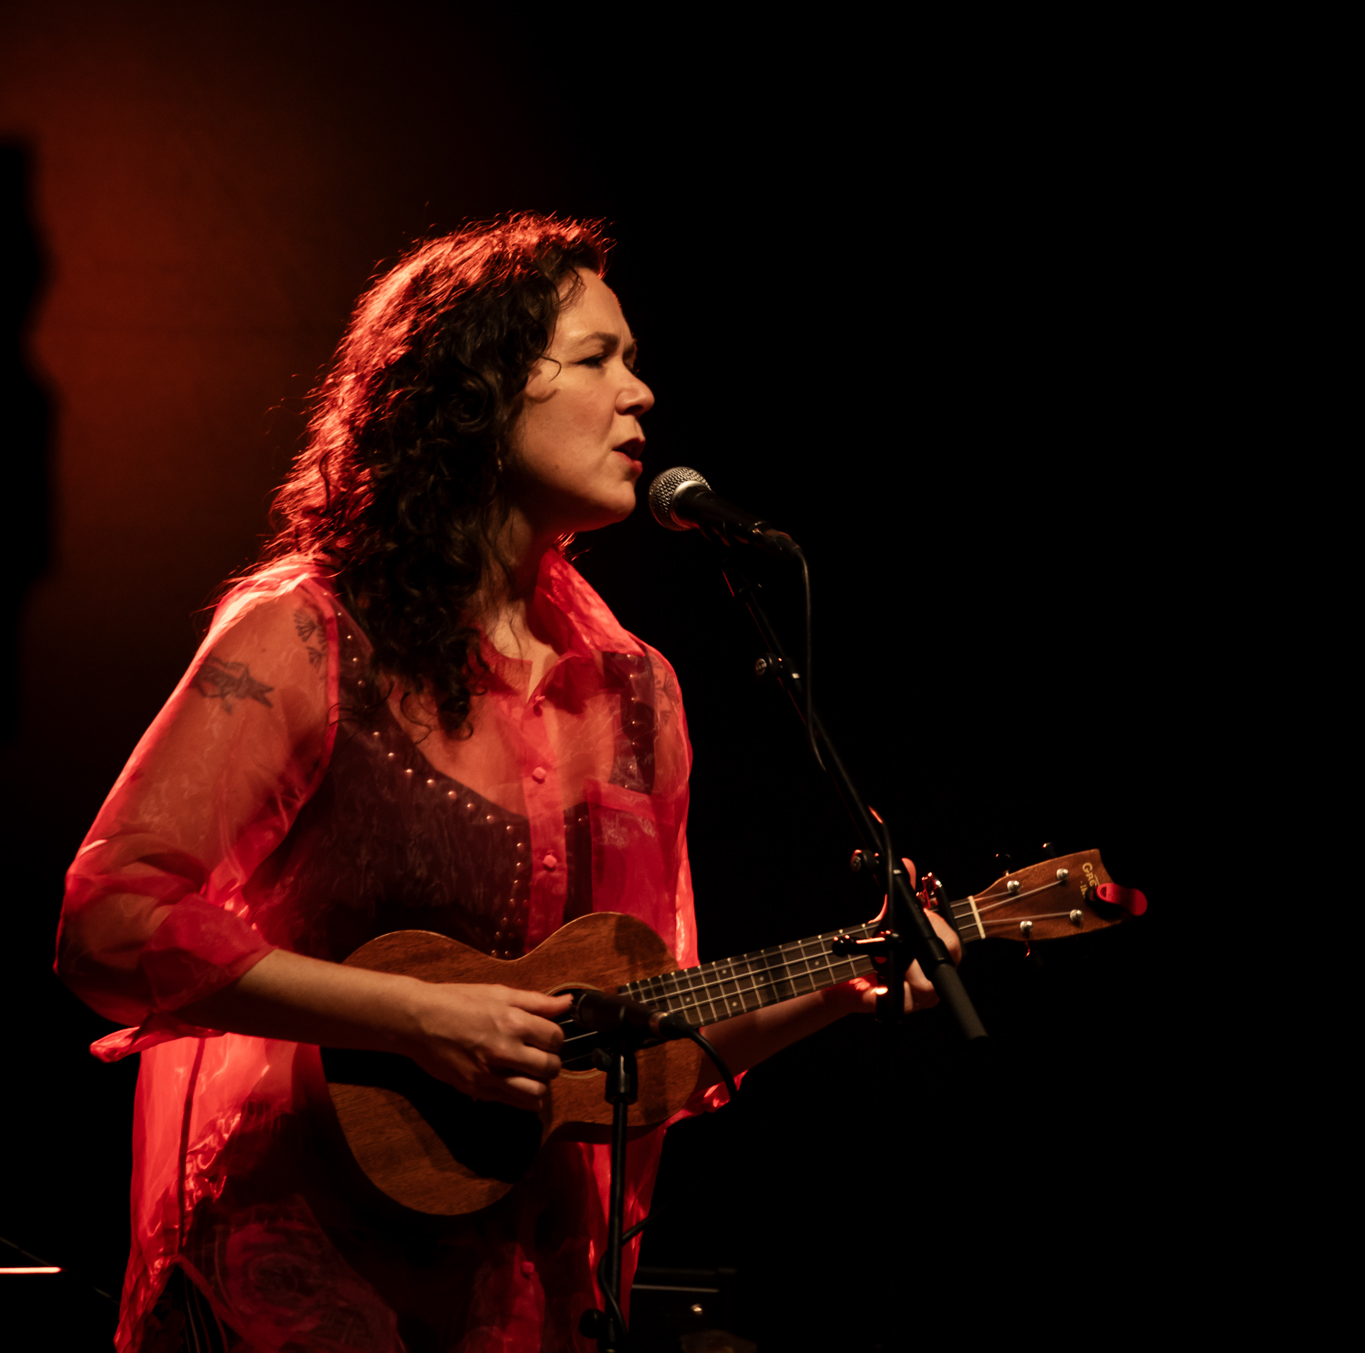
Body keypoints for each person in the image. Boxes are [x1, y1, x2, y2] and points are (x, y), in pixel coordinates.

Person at [57, 214, 959, 1352]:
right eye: (597, 358)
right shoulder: (306, 635)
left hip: (523, 1295)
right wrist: (420, 1018)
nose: (641, 394)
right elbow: (109, 922)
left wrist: (848, 984)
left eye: (632, 360)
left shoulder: (637, 693)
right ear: (476, 395)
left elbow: (634, 1051)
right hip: (298, 1280)